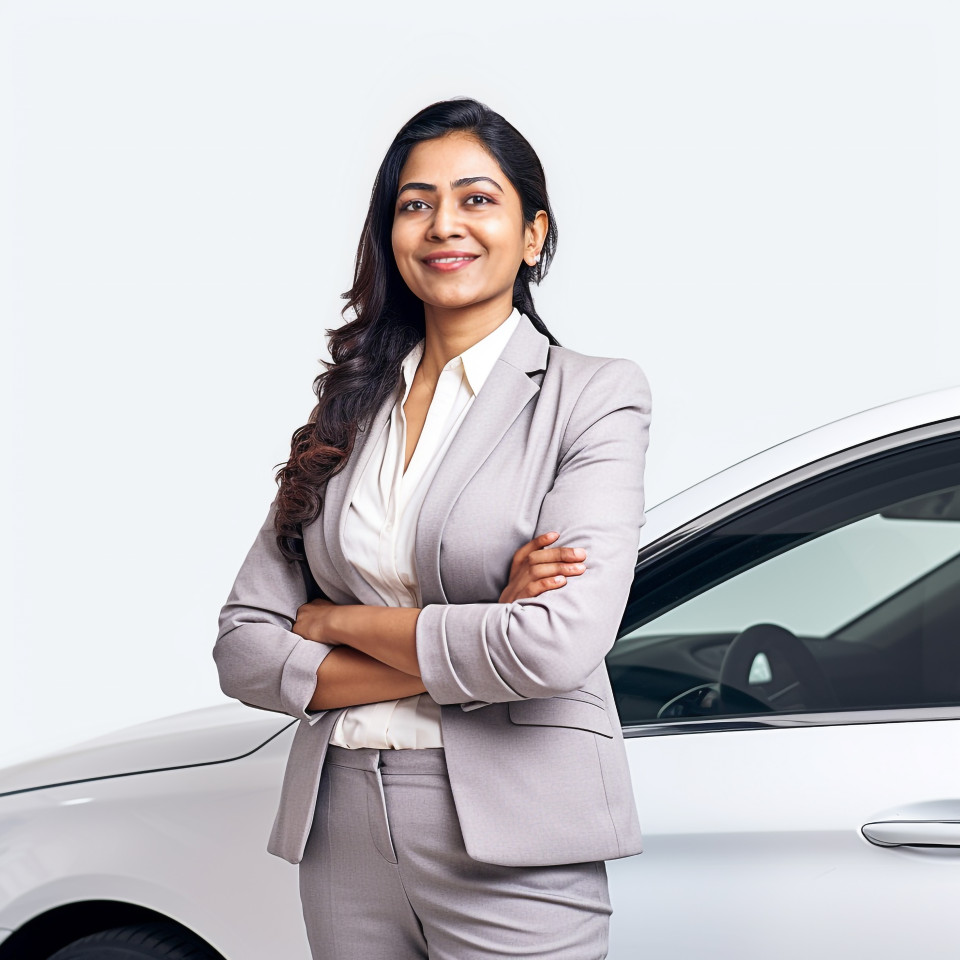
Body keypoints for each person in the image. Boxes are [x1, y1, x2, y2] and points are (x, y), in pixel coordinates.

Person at [214, 97, 652, 960]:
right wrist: (475, 629)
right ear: (391, 234)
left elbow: (550, 648)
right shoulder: (345, 408)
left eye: (477, 199)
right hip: (341, 823)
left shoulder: (592, 396)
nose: (443, 225)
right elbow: (242, 647)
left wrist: (333, 622)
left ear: (533, 234)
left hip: (515, 832)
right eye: (415, 204)